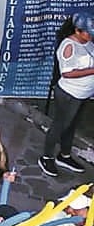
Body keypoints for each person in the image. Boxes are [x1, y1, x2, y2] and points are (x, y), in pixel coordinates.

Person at [40, 11, 94, 178]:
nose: (91, 36)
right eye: (88, 33)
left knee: (71, 126)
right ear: (78, 30)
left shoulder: (88, 42)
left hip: (83, 94)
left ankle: (64, 156)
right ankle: (46, 157)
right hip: (69, 94)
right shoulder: (68, 46)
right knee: (60, 126)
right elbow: (67, 73)